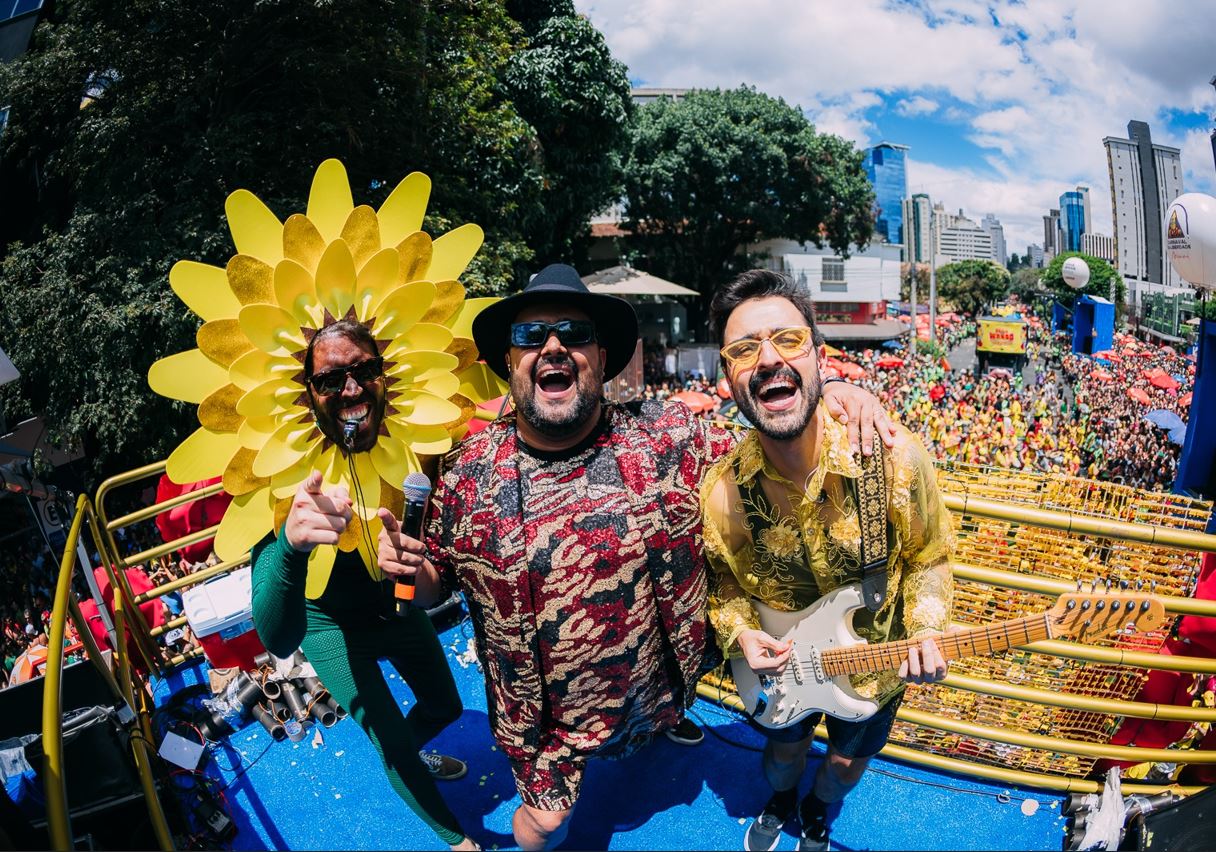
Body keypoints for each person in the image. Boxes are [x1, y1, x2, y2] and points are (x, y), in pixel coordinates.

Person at [376, 263, 895, 850]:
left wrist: (834, 394)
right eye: (530, 336)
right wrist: (407, 572)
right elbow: (433, 585)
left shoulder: (667, 438)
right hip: (545, 727)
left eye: (573, 333)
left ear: (601, 356)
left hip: (657, 694)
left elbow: (770, 435)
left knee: (659, 731)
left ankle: (663, 730)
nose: (553, 347)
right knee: (543, 828)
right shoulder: (468, 473)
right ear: (510, 361)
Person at [701, 269, 956, 852]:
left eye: (787, 341)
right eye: (744, 350)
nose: (768, 360)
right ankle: (784, 799)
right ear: (728, 377)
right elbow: (724, 584)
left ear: (820, 358)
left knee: (843, 768)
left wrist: (927, 630)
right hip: (781, 671)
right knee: (782, 757)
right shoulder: (722, 493)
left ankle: (816, 810)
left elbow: (930, 556)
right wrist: (740, 634)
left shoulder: (894, 460)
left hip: (874, 670)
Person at [250, 319, 478, 852]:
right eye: (331, 379)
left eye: (364, 370)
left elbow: (441, 578)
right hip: (330, 626)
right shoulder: (282, 479)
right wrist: (291, 544)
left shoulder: (419, 453)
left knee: (443, 707)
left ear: (386, 375)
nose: (351, 389)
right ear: (307, 395)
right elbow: (278, 640)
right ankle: (448, 829)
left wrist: (418, 572)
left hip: (393, 609)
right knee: (391, 737)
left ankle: (404, 760)